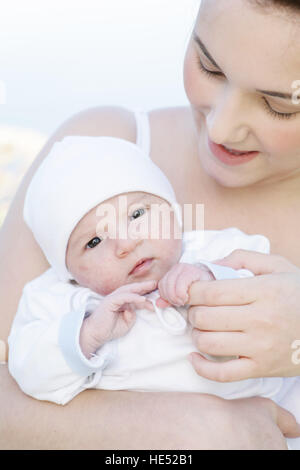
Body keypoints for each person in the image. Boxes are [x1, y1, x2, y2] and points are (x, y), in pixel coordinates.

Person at [1, 0, 300, 450]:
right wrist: (176, 431)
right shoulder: (95, 154)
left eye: (280, 106)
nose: (220, 128)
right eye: (209, 66)